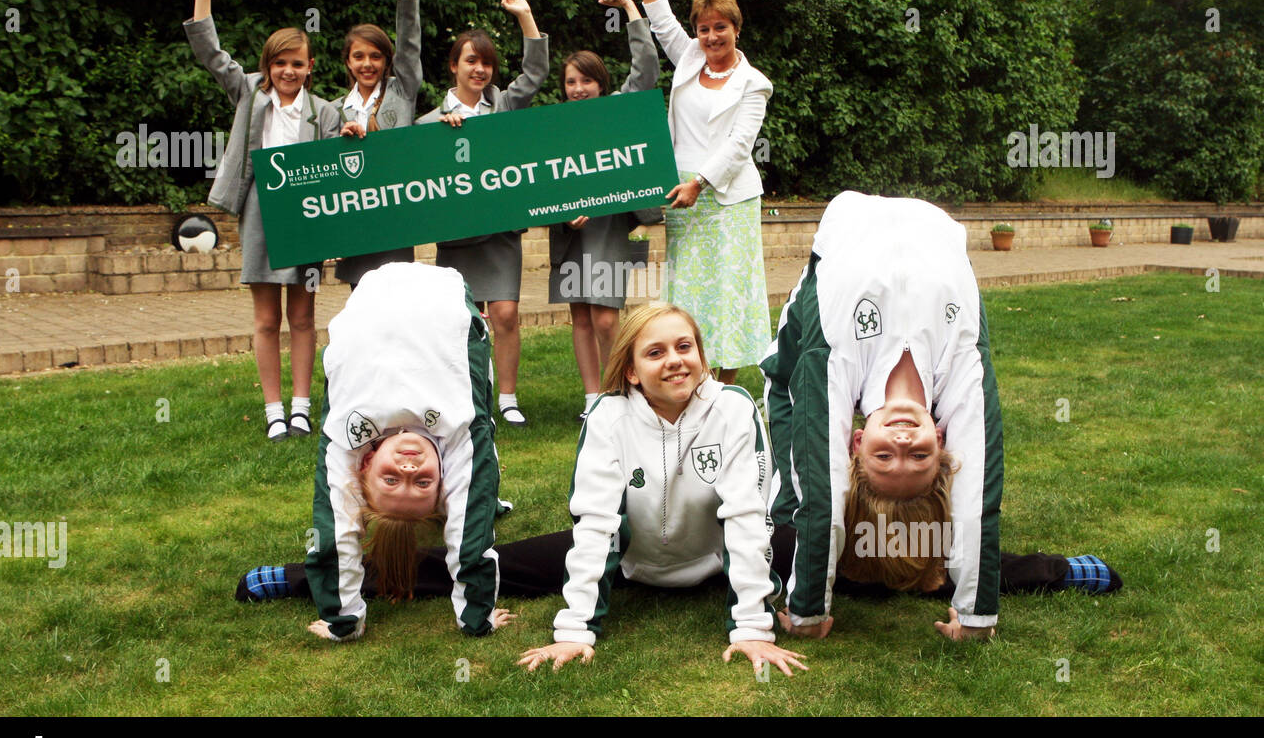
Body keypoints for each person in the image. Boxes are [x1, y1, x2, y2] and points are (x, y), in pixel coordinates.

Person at [761, 191, 1121, 643]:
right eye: (919, 457)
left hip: (846, 226)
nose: (903, 444)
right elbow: (977, 497)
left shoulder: (833, 365)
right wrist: (976, 615)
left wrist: (808, 611)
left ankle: (819, 535)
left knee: (799, 493)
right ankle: (889, 551)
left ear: (855, 441)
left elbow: (824, 486)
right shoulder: (962, 368)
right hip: (937, 228)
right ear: (940, 436)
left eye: (884, 457)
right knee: (860, 528)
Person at [516, 305, 810, 677]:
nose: (675, 360)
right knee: (510, 561)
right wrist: (574, 630)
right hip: (630, 561)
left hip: (714, 559)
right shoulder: (608, 416)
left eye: (685, 347)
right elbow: (596, 523)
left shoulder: (733, 408)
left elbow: (747, 517)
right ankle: (429, 570)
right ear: (631, 371)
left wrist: (752, 627)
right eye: (656, 353)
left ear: (701, 357)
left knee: (812, 546)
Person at [294, 262, 512, 640]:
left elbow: (335, 531)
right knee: (479, 449)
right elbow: (470, 526)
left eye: (391, 479)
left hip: (371, 294)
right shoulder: (460, 436)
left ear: (366, 464)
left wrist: (341, 618)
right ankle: (487, 497)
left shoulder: (347, 439)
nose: (409, 468)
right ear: (444, 475)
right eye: (423, 481)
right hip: (446, 298)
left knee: (476, 471)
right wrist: (476, 616)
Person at [186, 0, 347, 442]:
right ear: (268, 66)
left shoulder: (325, 112)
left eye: (297, 64)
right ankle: (273, 410)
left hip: (306, 216)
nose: (288, 72)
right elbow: (209, 53)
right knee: (265, 317)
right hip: (259, 208)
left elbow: (340, 164)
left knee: (303, 315)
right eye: (280, 63)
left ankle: (302, 408)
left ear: (310, 66)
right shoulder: (249, 93)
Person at [630, 0, 772, 384]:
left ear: (736, 29)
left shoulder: (755, 84)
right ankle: (690, 377)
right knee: (688, 294)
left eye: (721, 28)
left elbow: (738, 146)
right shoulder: (689, 56)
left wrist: (701, 183)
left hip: (726, 197)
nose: (711, 37)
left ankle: (724, 387)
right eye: (705, 29)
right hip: (682, 194)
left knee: (728, 293)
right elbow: (659, 14)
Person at [417, 0, 549, 428]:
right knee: (461, 320)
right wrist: (440, 134)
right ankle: (467, 396)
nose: (480, 69)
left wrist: (524, 14)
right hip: (457, 239)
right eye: (471, 60)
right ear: (454, 65)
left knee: (506, 314)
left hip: (501, 233)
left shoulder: (505, 105)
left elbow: (536, 71)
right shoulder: (430, 122)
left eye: (486, 62)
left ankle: (507, 397)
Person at [549, 0, 664, 423]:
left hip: (607, 226)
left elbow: (647, 69)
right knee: (580, 314)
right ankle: (592, 397)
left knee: (604, 317)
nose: (578, 89)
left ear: (601, 83)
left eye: (586, 81)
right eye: (571, 82)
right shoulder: (554, 124)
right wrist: (562, 211)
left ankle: (619, 388)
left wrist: (632, 11)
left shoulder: (618, 110)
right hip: (569, 231)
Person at [330, 0, 424, 288]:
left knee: (397, 298)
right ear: (348, 62)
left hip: (396, 216)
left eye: (375, 56)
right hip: (356, 221)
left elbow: (410, 45)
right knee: (360, 300)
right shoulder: (334, 109)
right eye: (358, 56)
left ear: (387, 61)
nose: (367, 64)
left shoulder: (402, 92)